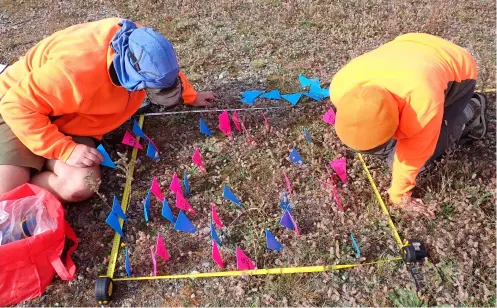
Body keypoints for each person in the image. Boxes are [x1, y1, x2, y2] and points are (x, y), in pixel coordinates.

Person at [0, 18, 216, 202]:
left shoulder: (142, 42)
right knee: (6, 191)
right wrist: (65, 150)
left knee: (82, 185)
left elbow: (163, 68)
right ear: (129, 75)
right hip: (21, 110)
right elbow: (15, 105)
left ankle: (26, 175)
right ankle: (20, 173)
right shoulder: (72, 71)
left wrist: (191, 96)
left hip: (76, 120)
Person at [330, 33, 486, 218]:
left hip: (458, 67)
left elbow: (413, 156)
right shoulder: (339, 87)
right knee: (390, 156)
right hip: (412, 46)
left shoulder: (420, 106)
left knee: (424, 156)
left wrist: (399, 196)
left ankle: (472, 108)